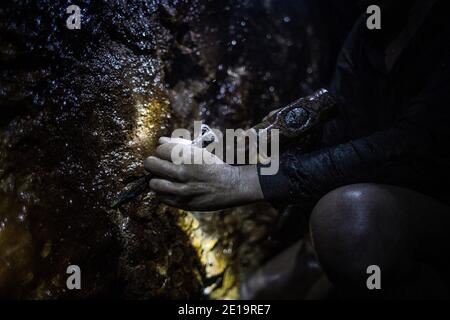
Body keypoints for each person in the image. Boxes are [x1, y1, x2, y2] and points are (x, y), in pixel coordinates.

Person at [144, 0, 450, 299]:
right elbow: (339, 115)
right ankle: (329, 258)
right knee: (251, 295)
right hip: (399, 198)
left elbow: (410, 148)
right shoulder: (374, 24)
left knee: (346, 219)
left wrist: (244, 181)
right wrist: (237, 148)